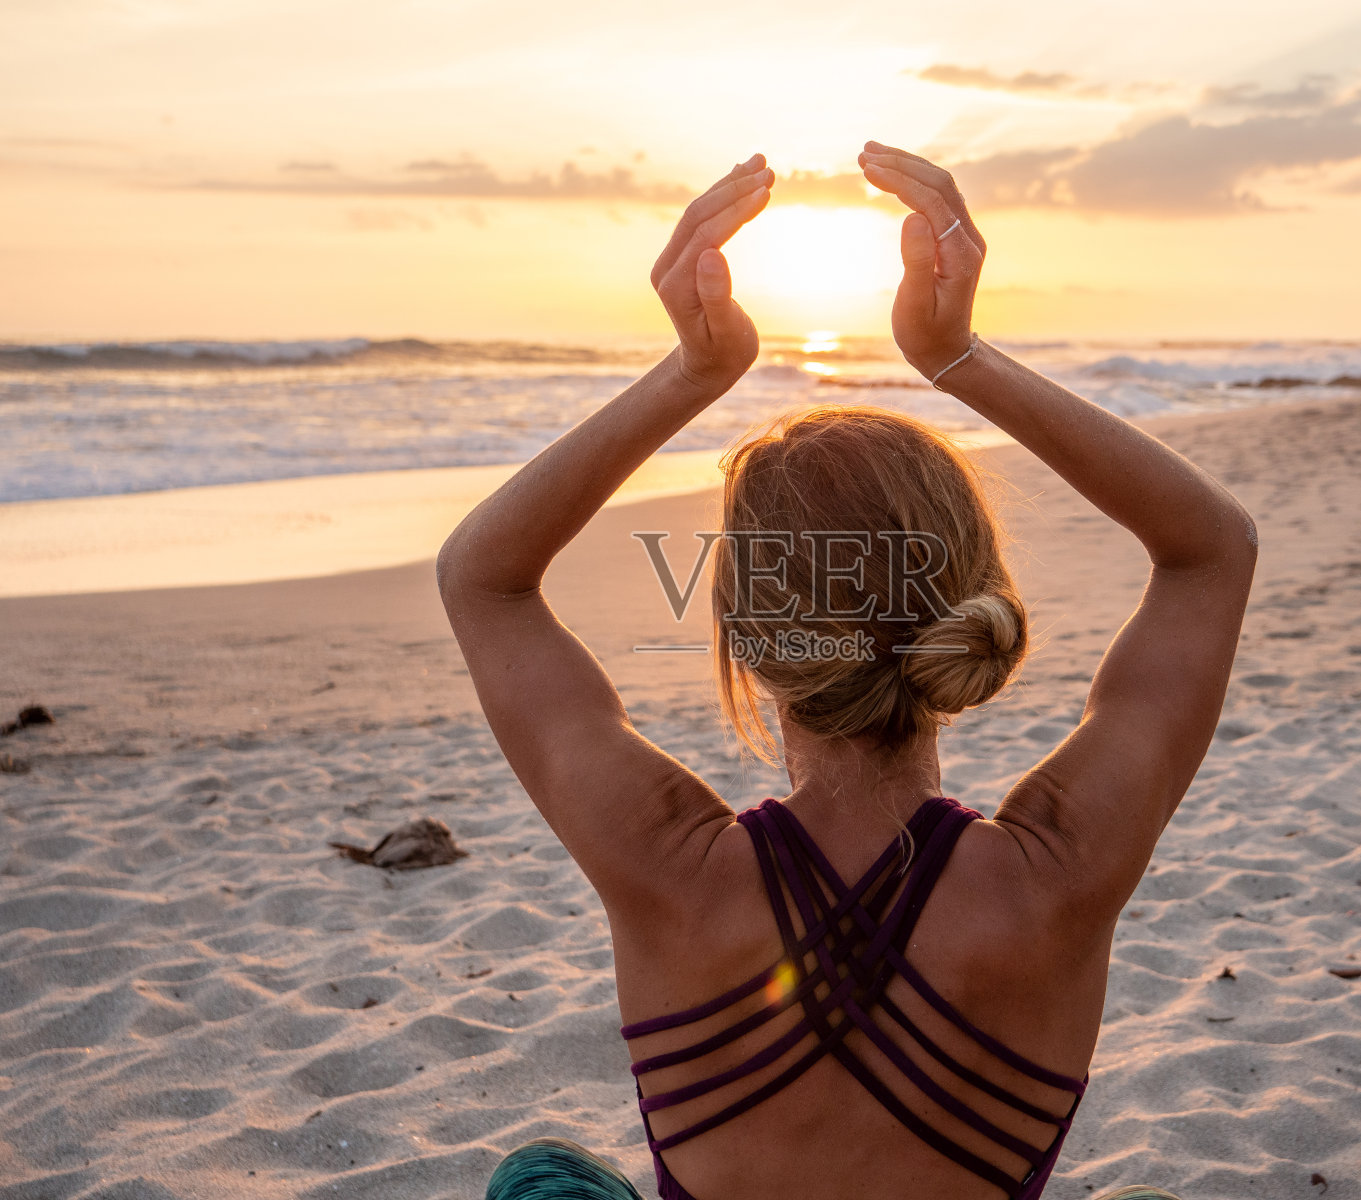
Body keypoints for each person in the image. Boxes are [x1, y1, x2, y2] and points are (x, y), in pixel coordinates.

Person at [438, 142, 1257, 1200]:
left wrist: (692, 370)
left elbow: (481, 578)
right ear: (968, 599)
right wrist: (957, 357)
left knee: (540, 1181)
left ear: (742, 627)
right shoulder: (1053, 876)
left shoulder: (667, 868)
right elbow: (1211, 552)